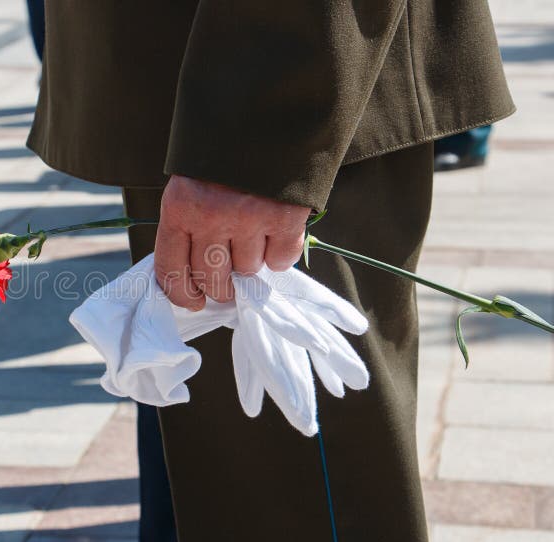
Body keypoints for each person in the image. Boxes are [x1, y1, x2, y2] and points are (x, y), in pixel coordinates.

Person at [27, 2, 514, 540]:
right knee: (207, 484)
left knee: (292, 505)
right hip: (187, 99)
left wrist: (256, 140)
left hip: (264, 96)